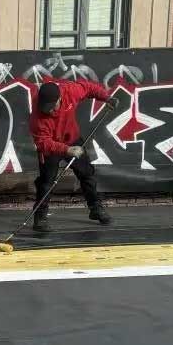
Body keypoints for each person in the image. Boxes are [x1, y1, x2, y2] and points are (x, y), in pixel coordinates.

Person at [28, 79, 118, 235]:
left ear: (60, 99)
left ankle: (95, 208)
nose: (48, 111)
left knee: (87, 174)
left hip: (72, 139)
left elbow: (89, 88)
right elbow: (43, 143)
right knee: (46, 183)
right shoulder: (37, 116)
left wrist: (106, 98)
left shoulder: (70, 91)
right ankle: (40, 218)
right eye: (45, 108)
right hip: (51, 148)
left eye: (52, 107)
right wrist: (67, 150)